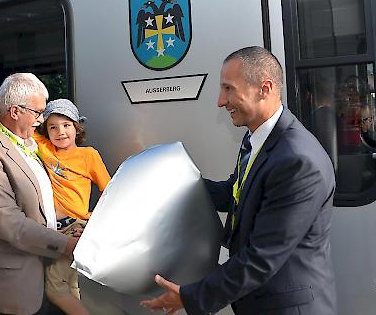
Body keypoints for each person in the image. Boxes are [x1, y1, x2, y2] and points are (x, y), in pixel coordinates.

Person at [141, 46, 337, 315]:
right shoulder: (257, 138)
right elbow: (235, 192)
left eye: (228, 89)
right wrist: (174, 187)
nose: (221, 101)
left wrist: (191, 296)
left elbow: (262, 257)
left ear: (264, 89)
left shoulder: (297, 161)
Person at [0, 98, 111, 315]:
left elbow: (109, 190)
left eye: (67, 125)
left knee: (55, 289)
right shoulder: (45, 147)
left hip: (75, 226)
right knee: (68, 284)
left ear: (77, 128)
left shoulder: (89, 155)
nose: (60, 132)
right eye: (53, 127)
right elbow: (16, 129)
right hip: (52, 228)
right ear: (46, 131)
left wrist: (93, 223)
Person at [0, 73, 79, 315]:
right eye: (37, 113)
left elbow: (43, 200)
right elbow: (9, 223)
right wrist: (67, 245)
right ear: (15, 112)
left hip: (51, 271)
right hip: (20, 283)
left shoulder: (31, 142)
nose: (41, 120)